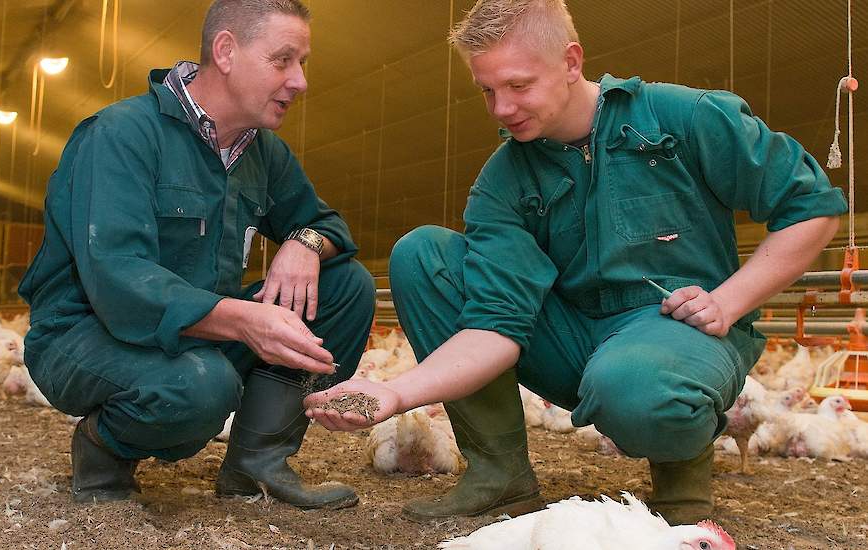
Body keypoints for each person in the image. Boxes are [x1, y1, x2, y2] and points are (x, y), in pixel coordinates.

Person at [305, 0, 847, 525]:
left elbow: (813, 208)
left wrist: (729, 300)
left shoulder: (680, 118)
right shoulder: (504, 182)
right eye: (488, 90)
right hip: (570, 340)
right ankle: (499, 472)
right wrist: (396, 392)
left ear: (571, 62)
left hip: (678, 329)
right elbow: (494, 326)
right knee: (424, 253)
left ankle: (682, 466)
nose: (501, 108)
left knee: (636, 387)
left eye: (518, 85)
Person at [18, 0, 374, 509]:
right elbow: (118, 278)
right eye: (283, 60)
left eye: (304, 64)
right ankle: (103, 452)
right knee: (200, 385)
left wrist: (304, 243)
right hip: (84, 335)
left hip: (198, 332)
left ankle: (257, 462)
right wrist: (244, 319)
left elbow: (325, 224)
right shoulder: (122, 135)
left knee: (346, 285)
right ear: (226, 51)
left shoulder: (262, 153)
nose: (300, 82)